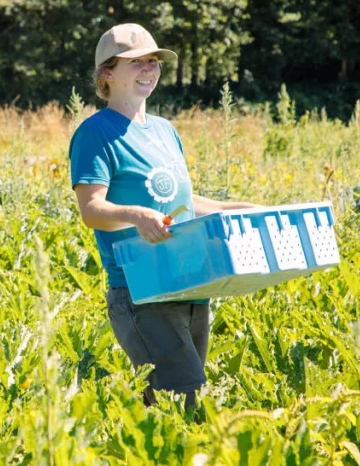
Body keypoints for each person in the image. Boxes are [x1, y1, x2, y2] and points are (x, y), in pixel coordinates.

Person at [68, 23, 258, 411]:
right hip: (142, 291)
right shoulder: (95, 133)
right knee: (186, 404)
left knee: (170, 408)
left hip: (190, 283)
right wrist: (137, 216)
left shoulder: (165, 130)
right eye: (136, 62)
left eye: (154, 61)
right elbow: (92, 210)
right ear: (107, 73)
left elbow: (181, 203)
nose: (149, 69)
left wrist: (241, 209)